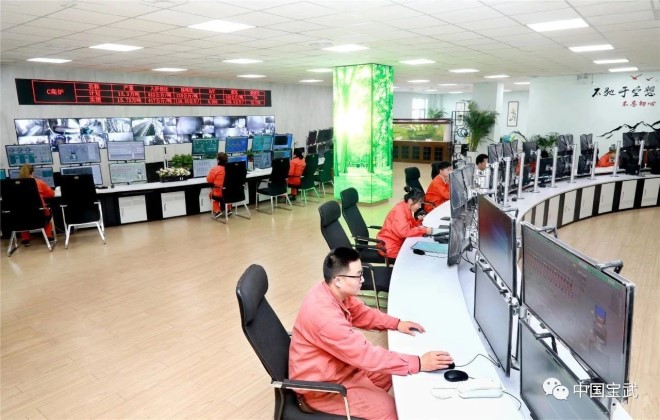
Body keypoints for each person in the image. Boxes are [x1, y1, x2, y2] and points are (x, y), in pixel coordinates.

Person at [289, 247, 453, 419]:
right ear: (338, 280)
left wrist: (396, 323)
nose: (363, 279)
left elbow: (362, 313)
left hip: (342, 367)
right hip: (324, 387)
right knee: (391, 411)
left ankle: (368, 401)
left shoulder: (333, 290)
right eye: (358, 275)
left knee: (395, 373)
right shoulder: (324, 315)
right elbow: (365, 355)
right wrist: (418, 362)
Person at [377, 187, 433, 261]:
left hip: (398, 243)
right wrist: (424, 230)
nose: (420, 207)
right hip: (390, 248)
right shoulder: (399, 211)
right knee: (416, 259)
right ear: (410, 201)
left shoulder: (405, 207)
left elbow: (409, 225)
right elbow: (403, 232)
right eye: (419, 203)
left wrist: (418, 221)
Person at [18, 164, 55, 246]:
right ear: (32, 172)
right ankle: (48, 237)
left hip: (21, 215)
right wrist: (41, 195)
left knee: (22, 214)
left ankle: (25, 239)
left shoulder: (14, 184)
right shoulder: (38, 182)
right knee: (47, 214)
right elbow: (51, 194)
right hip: (39, 214)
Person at [206, 152, 228, 217]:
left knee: (211, 194)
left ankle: (217, 211)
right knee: (228, 191)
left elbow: (209, 180)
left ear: (218, 160)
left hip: (220, 193)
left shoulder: (215, 169)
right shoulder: (230, 168)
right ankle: (228, 209)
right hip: (230, 192)